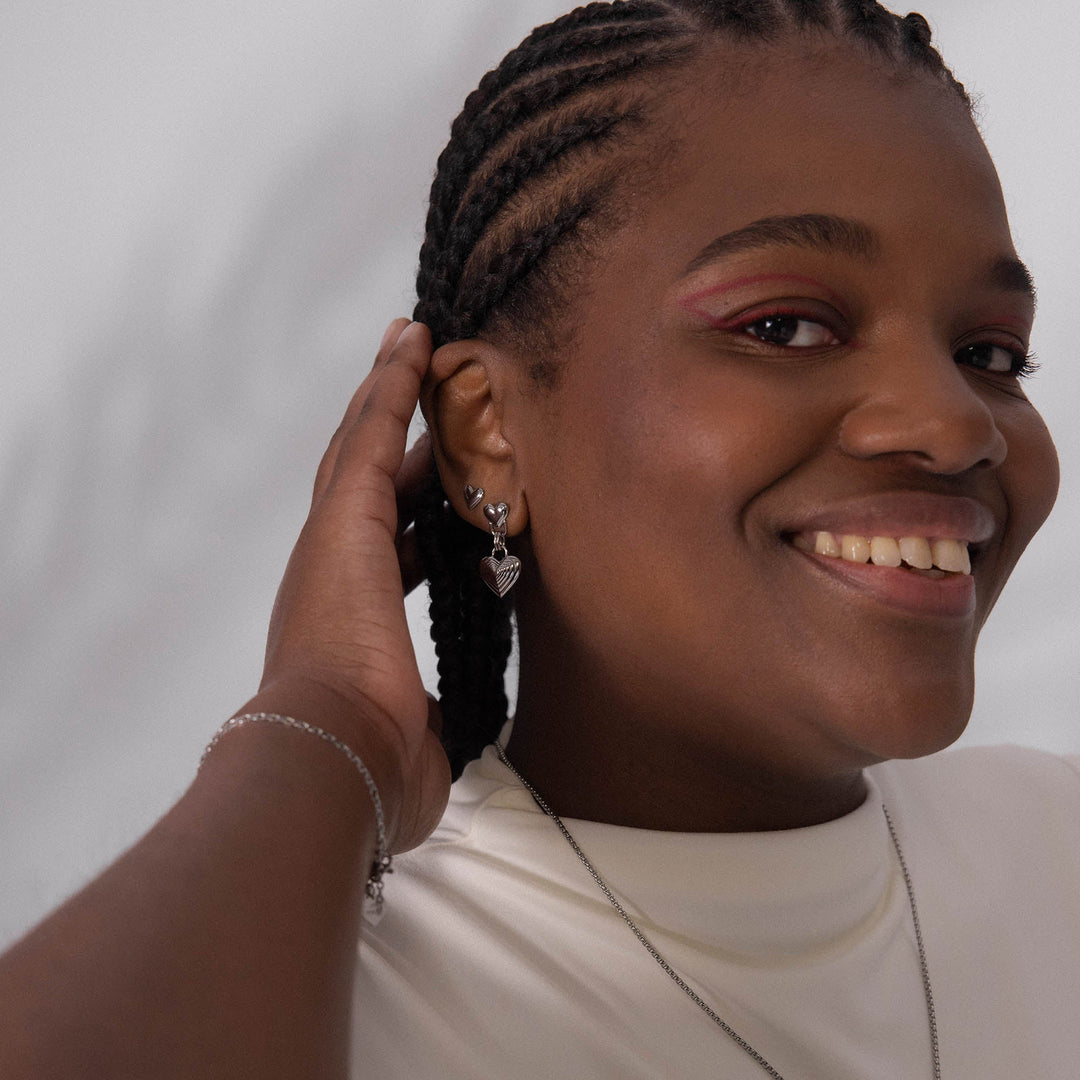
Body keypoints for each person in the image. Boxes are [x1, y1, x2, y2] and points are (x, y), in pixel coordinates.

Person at [0, 1, 1076, 1077]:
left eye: (990, 352)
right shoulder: (323, 988)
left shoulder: (1052, 845)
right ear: (487, 433)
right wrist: (322, 722)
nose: (953, 427)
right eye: (785, 327)